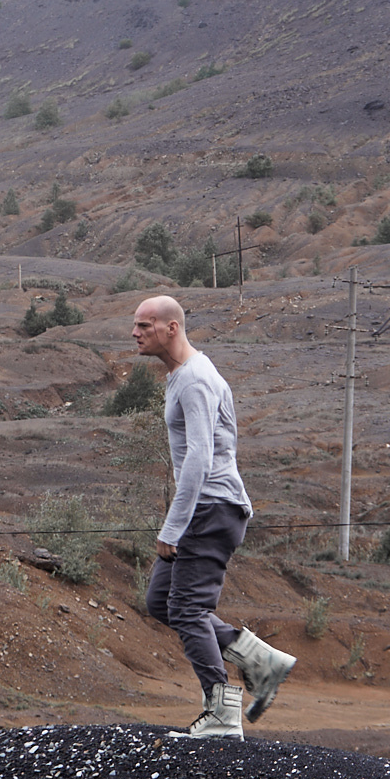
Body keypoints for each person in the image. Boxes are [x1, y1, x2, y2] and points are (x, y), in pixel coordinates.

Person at [129, 293, 294, 739]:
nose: (135, 332)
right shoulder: (182, 375)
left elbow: (200, 459)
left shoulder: (196, 380)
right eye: (137, 325)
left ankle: (221, 714)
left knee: (186, 607)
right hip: (208, 506)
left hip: (210, 507)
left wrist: (172, 526)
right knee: (161, 602)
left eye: (145, 325)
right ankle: (261, 662)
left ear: (172, 328)